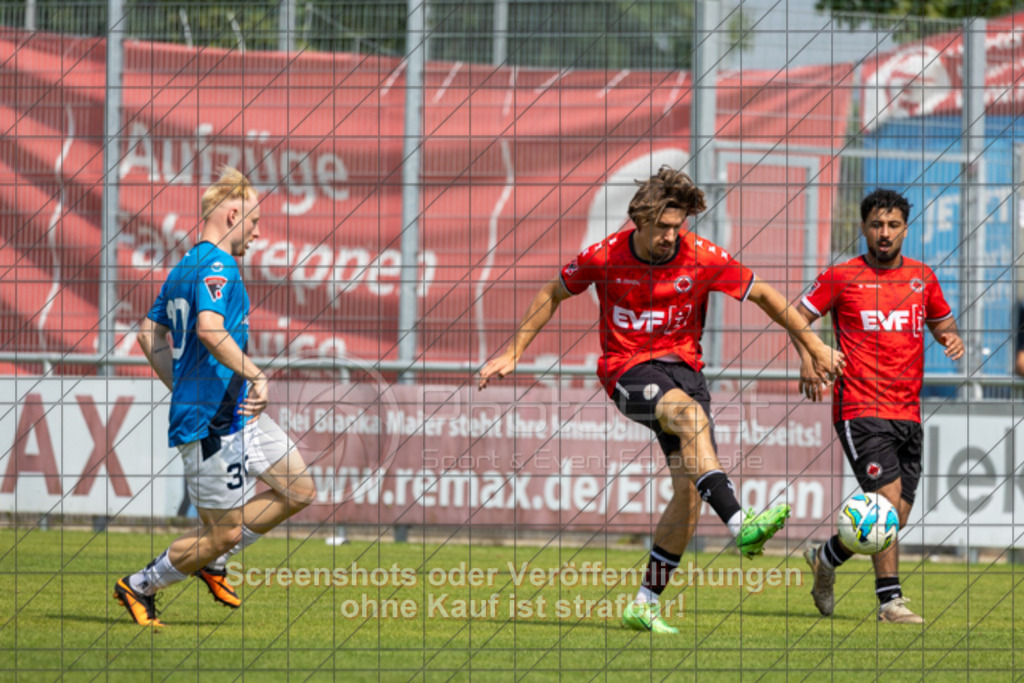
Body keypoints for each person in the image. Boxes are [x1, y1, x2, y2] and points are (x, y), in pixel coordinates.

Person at [478, 166, 844, 634]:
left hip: (686, 372)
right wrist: (513, 351)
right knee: (689, 418)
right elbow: (553, 291)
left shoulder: (702, 257)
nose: (671, 236)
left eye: (678, 226)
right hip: (627, 371)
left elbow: (767, 296)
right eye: (663, 228)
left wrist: (812, 345)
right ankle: (739, 524)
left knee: (688, 497)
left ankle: (643, 603)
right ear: (639, 221)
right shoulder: (605, 255)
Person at [114, 168, 316, 627]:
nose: (258, 231)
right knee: (221, 533)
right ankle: (141, 583)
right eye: (253, 221)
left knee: (299, 489)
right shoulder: (219, 267)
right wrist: (256, 374)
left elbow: (149, 335)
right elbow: (208, 330)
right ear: (231, 214)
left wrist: (184, 384)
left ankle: (214, 559)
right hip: (211, 424)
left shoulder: (186, 265)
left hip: (236, 413)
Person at [796, 188, 964, 624]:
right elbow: (795, 316)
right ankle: (890, 602)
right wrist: (809, 355)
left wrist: (951, 337)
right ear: (863, 228)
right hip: (859, 406)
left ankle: (826, 558)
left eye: (892, 225)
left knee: (896, 516)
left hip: (907, 411)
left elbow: (943, 322)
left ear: (905, 229)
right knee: (883, 506)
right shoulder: (842, 276)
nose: (884, 233)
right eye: (876, 225)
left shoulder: (922, 277)